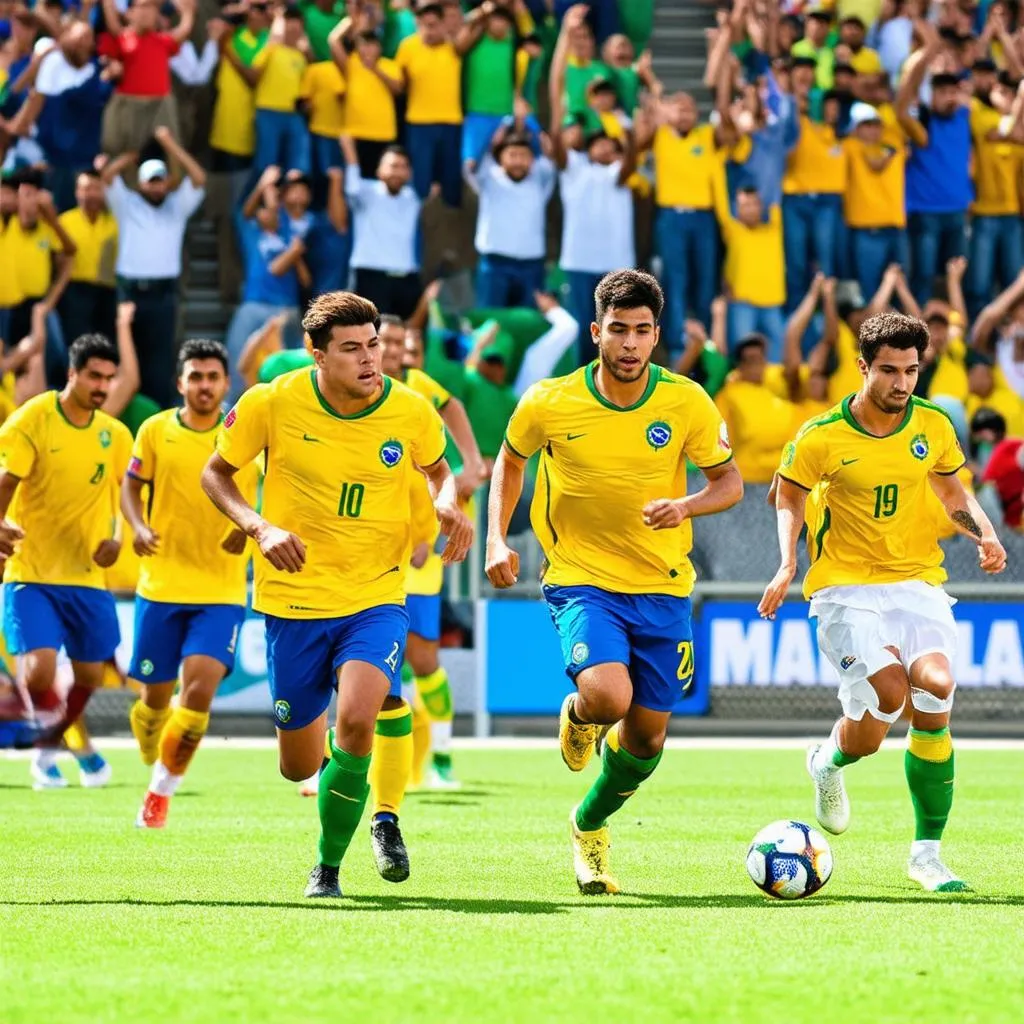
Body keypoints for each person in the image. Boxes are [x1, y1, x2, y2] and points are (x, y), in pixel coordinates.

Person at [201, 291, 473, 899]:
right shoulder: (272, 402)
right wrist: (259, 527)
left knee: (358, 717)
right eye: (351, 348)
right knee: (298, 764)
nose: (369, 358)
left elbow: (438, 469)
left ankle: (331, 863)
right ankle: (341, 783)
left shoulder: (409, 410)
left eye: (373, 344)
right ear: (316, 354)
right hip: (294, 601)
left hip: (376, 594)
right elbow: (214, 474)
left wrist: (447, 500)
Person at [485, 270, 743, 893]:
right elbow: (510, 461)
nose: (630, 344)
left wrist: (685, 506)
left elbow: (729, 482)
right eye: (619, 330)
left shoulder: (686, 401)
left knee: (647, 742)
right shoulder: (550, 400)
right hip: (581, 577)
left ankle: (588, 825)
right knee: (608, 698)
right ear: (597, 332)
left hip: (663, 585)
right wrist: (496, 536)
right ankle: (581, 711)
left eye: (643, 332)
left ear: (657, 337)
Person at [759, 312, 1008, 893]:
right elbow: (788, 496)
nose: (902, 383)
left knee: (937, 686)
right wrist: (787, 563)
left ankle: (926, 855)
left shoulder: (933, 424)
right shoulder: (821, 435)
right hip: (845, 587)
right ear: (863, 367)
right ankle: (828, 762)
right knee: (884, 705)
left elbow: (950, 489)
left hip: (916, 582)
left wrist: (985, 533)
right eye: (890, 371)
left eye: (912, 371)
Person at [121, 339, 258, 829]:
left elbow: (266, 493)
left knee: (197, 692)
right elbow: (131, 484)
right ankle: (153, 739)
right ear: (181, 383)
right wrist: (136, 526)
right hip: (160, 586)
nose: (204, 385)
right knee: (155, 700)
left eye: (212, 377)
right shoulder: (156, 430)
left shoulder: (241, 433)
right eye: (195, 377)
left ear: (226, 383)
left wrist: (246, 531)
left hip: (219, 592)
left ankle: (160, 793)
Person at [0, 333, 132, 789]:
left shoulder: (114, 434)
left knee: (91, 674)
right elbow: (6, 480)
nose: (102, 386)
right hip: (31, 571)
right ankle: (54, 747)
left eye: (109, 379)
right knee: (37, 671)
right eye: (94, 375)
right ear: (72, 373)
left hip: (88, 576)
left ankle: (59, 741)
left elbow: (125, 497)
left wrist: (118, 538)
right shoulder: (31, 419)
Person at [101, 126, 206, 408]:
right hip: (130, 294)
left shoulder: (176, 206)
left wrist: (170, 146)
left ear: (167, 182)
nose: (156, 186)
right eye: (151, 181)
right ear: (140, 183)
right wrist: (129, 156)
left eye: (160, 181)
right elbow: (107, 177)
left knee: (159, 365)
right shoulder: (128, 204)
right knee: (125, 358)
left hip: (163, 295)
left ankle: (154, 420)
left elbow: (198, 177)